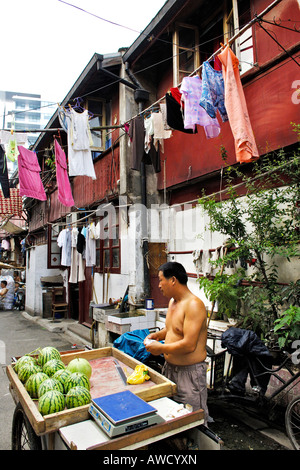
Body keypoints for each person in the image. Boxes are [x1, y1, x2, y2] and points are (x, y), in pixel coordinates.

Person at [144, 261, 209, 425]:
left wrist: (161, 348)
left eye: (160, 280)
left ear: (173, 280)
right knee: (172, 417)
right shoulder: (173, 302)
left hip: (190, 374)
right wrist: (156, 336)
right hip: (170, 370)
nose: (159, 285)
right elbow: (172, 330)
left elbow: (189, 345)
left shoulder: (194, 305)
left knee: (193, 420)